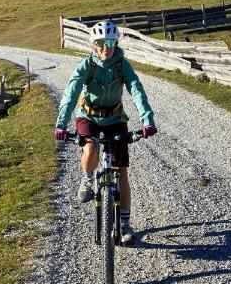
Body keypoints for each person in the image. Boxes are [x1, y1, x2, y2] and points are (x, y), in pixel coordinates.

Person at [53, 19, 157, 245]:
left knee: (121, 171)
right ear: (93, 44)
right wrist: (61, 124)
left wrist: (147, 120)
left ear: (116, 42)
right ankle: (87, 179)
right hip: (88, 116)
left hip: (114, 118)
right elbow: (70, 94)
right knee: (90, 146)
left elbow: (136, 90)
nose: (105, 47)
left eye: (110, 41)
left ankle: (125, 224)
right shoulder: (86, 66)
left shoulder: (122, 65)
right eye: (100, 42)